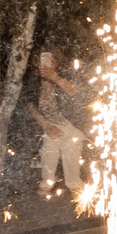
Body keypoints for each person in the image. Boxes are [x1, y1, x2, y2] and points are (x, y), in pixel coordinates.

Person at [27, 50, 89, 199]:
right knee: (50, 143)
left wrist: (53, 77)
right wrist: (46, 126)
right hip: (47, 124)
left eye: (51, 61)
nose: (47, 64)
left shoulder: (63, 77)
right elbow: (30, 106)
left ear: (56, 63)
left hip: (69, 123)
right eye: (44, 60)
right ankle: (47, 183)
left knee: (72, 141)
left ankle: (74, 184)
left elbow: (74, 91)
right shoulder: (33, 82)